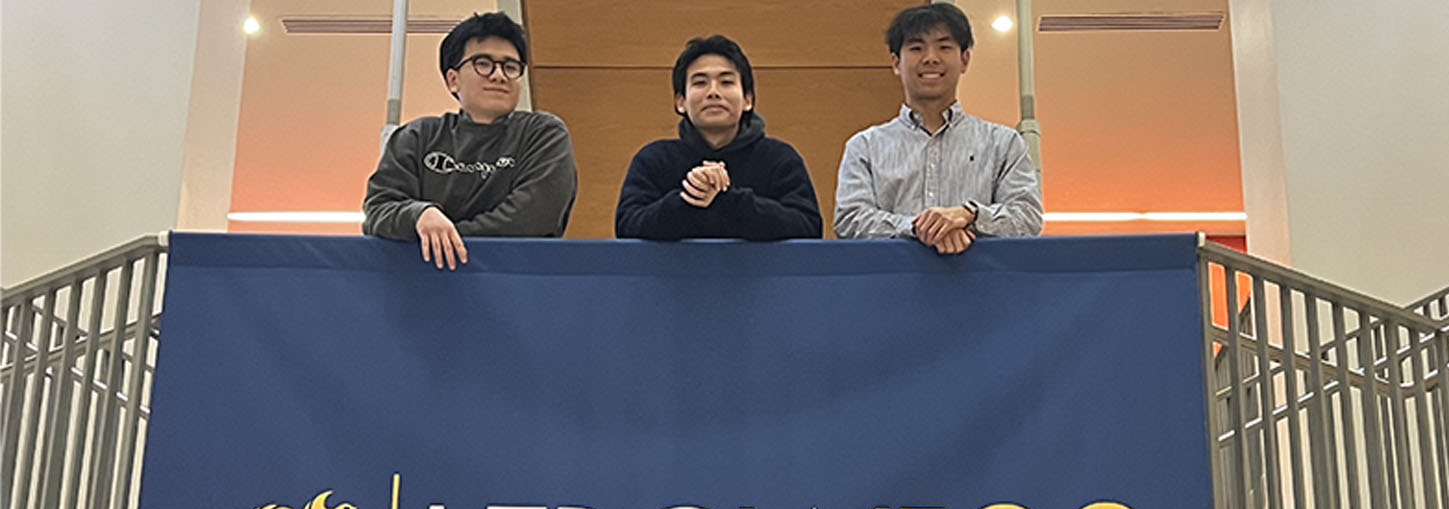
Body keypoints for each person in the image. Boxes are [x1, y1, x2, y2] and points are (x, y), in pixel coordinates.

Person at [363, 12, 578, 269]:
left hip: (518, 283)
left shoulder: (542, 134)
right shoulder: (417, 138)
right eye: (483, 63)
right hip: (426, 287)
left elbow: (534, 217)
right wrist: (419, 214)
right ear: (453, 79)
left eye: (510, 67)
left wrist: (446, 236)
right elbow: (378, 211)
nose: (498, 75)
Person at [833, 3, 1042, 254]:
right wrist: (922, 227)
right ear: (896, 62)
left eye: (944, 47)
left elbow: (1028, 217)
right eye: (916, 47)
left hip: (982, 288)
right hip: (892, 288)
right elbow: (849, 220)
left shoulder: (1004, 143)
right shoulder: (865, 146)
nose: (931, 58)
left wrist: (970, 214)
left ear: (964, 59)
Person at [615, 35, 821, 241]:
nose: (713, 92)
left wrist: (730, 200)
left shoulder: (779, 158)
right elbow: (626, 226)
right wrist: (689, 195)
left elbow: (808, 227)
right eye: (700, 82)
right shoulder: (654, 159)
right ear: (681, 102)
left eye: (726, 82)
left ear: (748, 99)